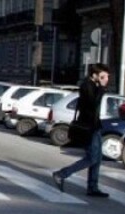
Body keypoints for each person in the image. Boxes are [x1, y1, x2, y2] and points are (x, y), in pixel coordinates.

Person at [52, 63, 111, 198]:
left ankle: (92, 187)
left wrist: (100, 87)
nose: (106, 78)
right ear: (95, 75)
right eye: (103, 75)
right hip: (88, 127)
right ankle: (61, 174)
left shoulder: (93, 85)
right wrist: (101, 88)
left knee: (97, 158)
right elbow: (93, 104)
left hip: (94, 126)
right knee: (92, 158)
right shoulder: (87, 86)